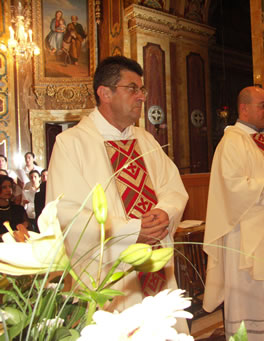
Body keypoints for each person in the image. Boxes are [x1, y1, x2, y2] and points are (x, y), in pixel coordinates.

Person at [46, 56, 189, 329]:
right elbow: (67, 215)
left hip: (154, 266)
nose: (141, 97)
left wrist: (165, 212)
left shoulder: (145, 139)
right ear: (105, 93)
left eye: (142, 90)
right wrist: (132, 230)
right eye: (133, 88)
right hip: (108, 274)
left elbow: (174, 187)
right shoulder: (72, 144)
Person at [203, 86, 264, 340]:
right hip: (247, 240)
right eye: (263, 105)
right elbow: (234, 189)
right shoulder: (231, 143)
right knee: (252, 299)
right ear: (244, 108)